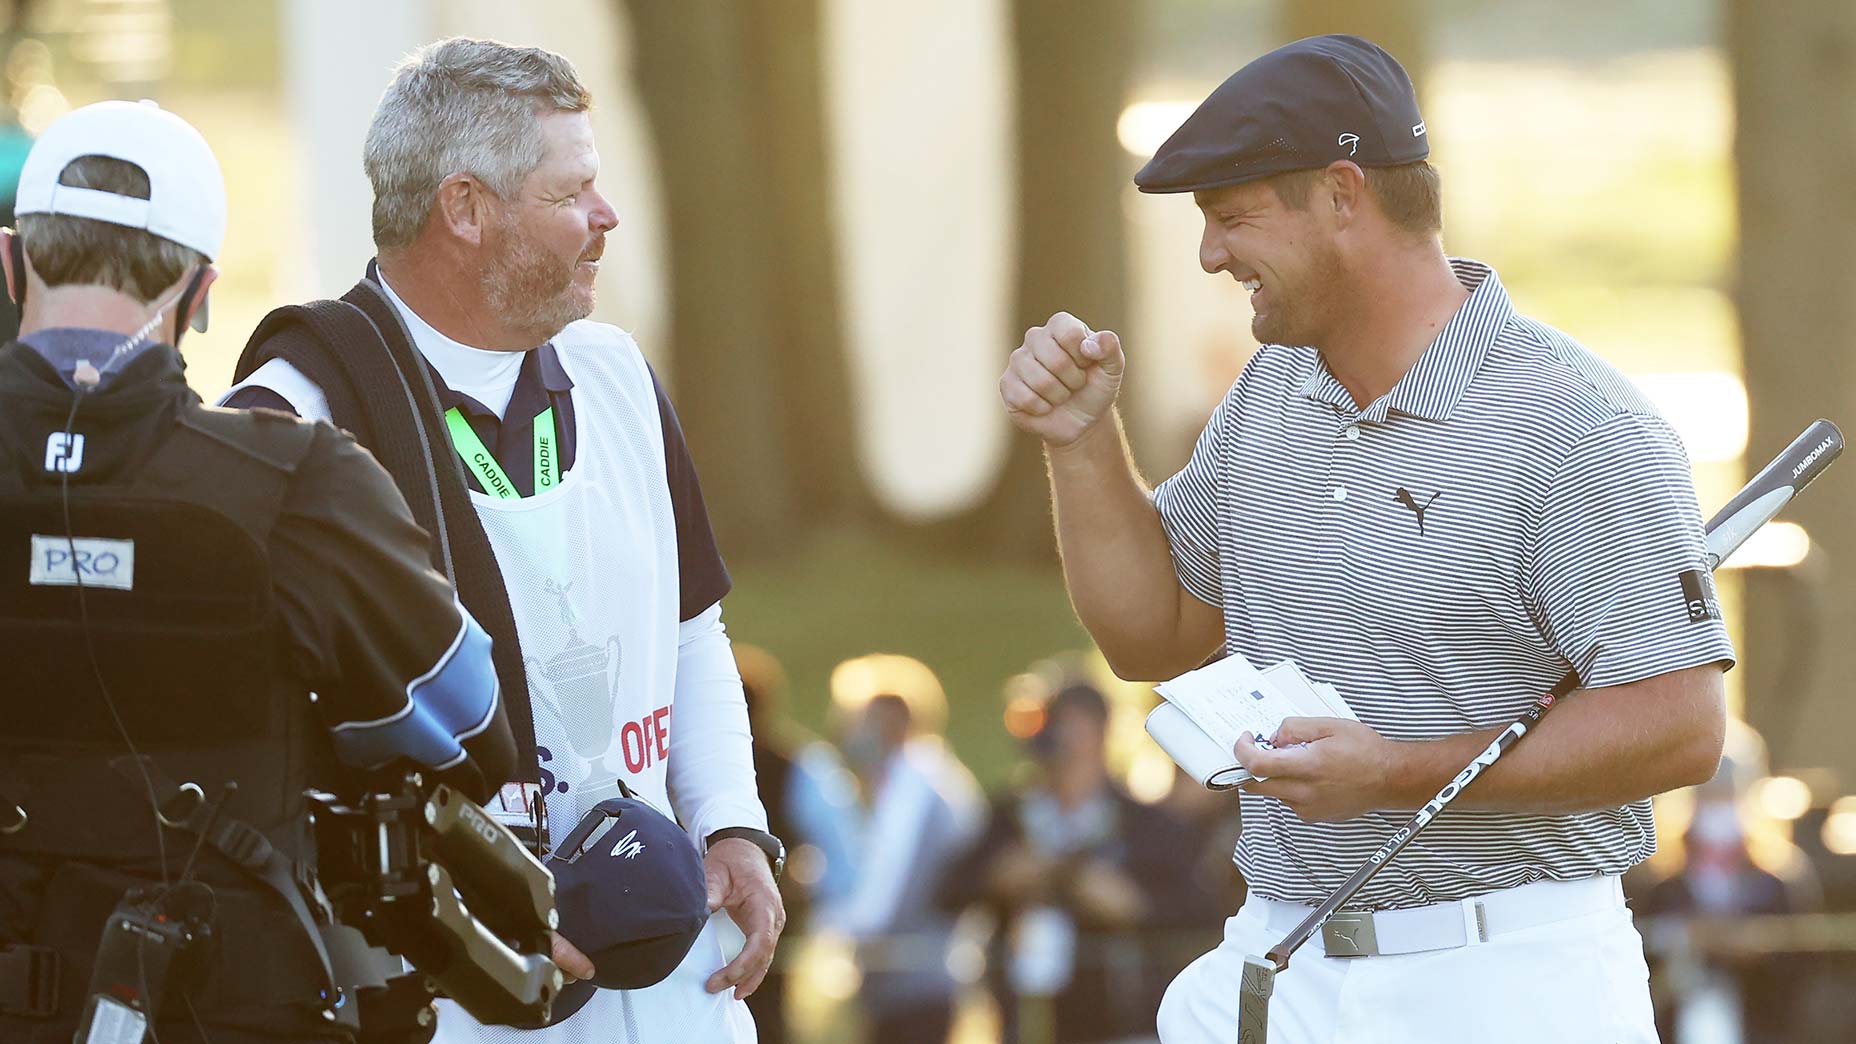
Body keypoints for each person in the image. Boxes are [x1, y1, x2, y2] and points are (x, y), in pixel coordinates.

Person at [996, 34, 1734, 1043]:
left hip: (1507, 979)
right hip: (1279, 962)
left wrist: (1394, 769)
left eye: (1232, 218)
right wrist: (1081, 444)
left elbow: (1679, 723)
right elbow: (1152, 634)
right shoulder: (1266, 397)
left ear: (1342, 195)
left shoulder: (1575, 427)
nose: (1210, 255)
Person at [219, 38, 784, 1043]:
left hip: (663, 961)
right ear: (468, 209)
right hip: (438, 981)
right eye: (572, 194)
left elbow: (693, 625)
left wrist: (731, 822)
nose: (606, 218)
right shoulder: (289, 418)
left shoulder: (615, 373)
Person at [0, 100, 513, 1044]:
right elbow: (470, 726)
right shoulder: (301, 483)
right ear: (198, 294)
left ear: (9, 260)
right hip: (226, 1002)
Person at [941, 680, 1206, 1044]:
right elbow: (949, 889)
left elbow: (1199, 912)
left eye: (1074, 726)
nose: (1063, 742)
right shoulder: (1010, 817)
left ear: (1101, 731)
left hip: (1121, 1018)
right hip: (1025, 1017)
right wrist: (1000, 878)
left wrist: (1133, 905)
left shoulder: (1146, 825)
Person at [813, 653, 982, 1044]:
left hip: (916, 986)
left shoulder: (919, 787)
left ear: (895, 719)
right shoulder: (914, 782)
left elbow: (882, 898)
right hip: (899, 986)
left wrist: (829, 930)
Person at [733, 643, 862, 1044]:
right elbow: (845, 855)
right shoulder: (803, 763)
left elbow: (843, 861)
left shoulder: (798, 765)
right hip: (703, 935)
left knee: (766, 1023)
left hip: (768, 937)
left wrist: (802, 888)